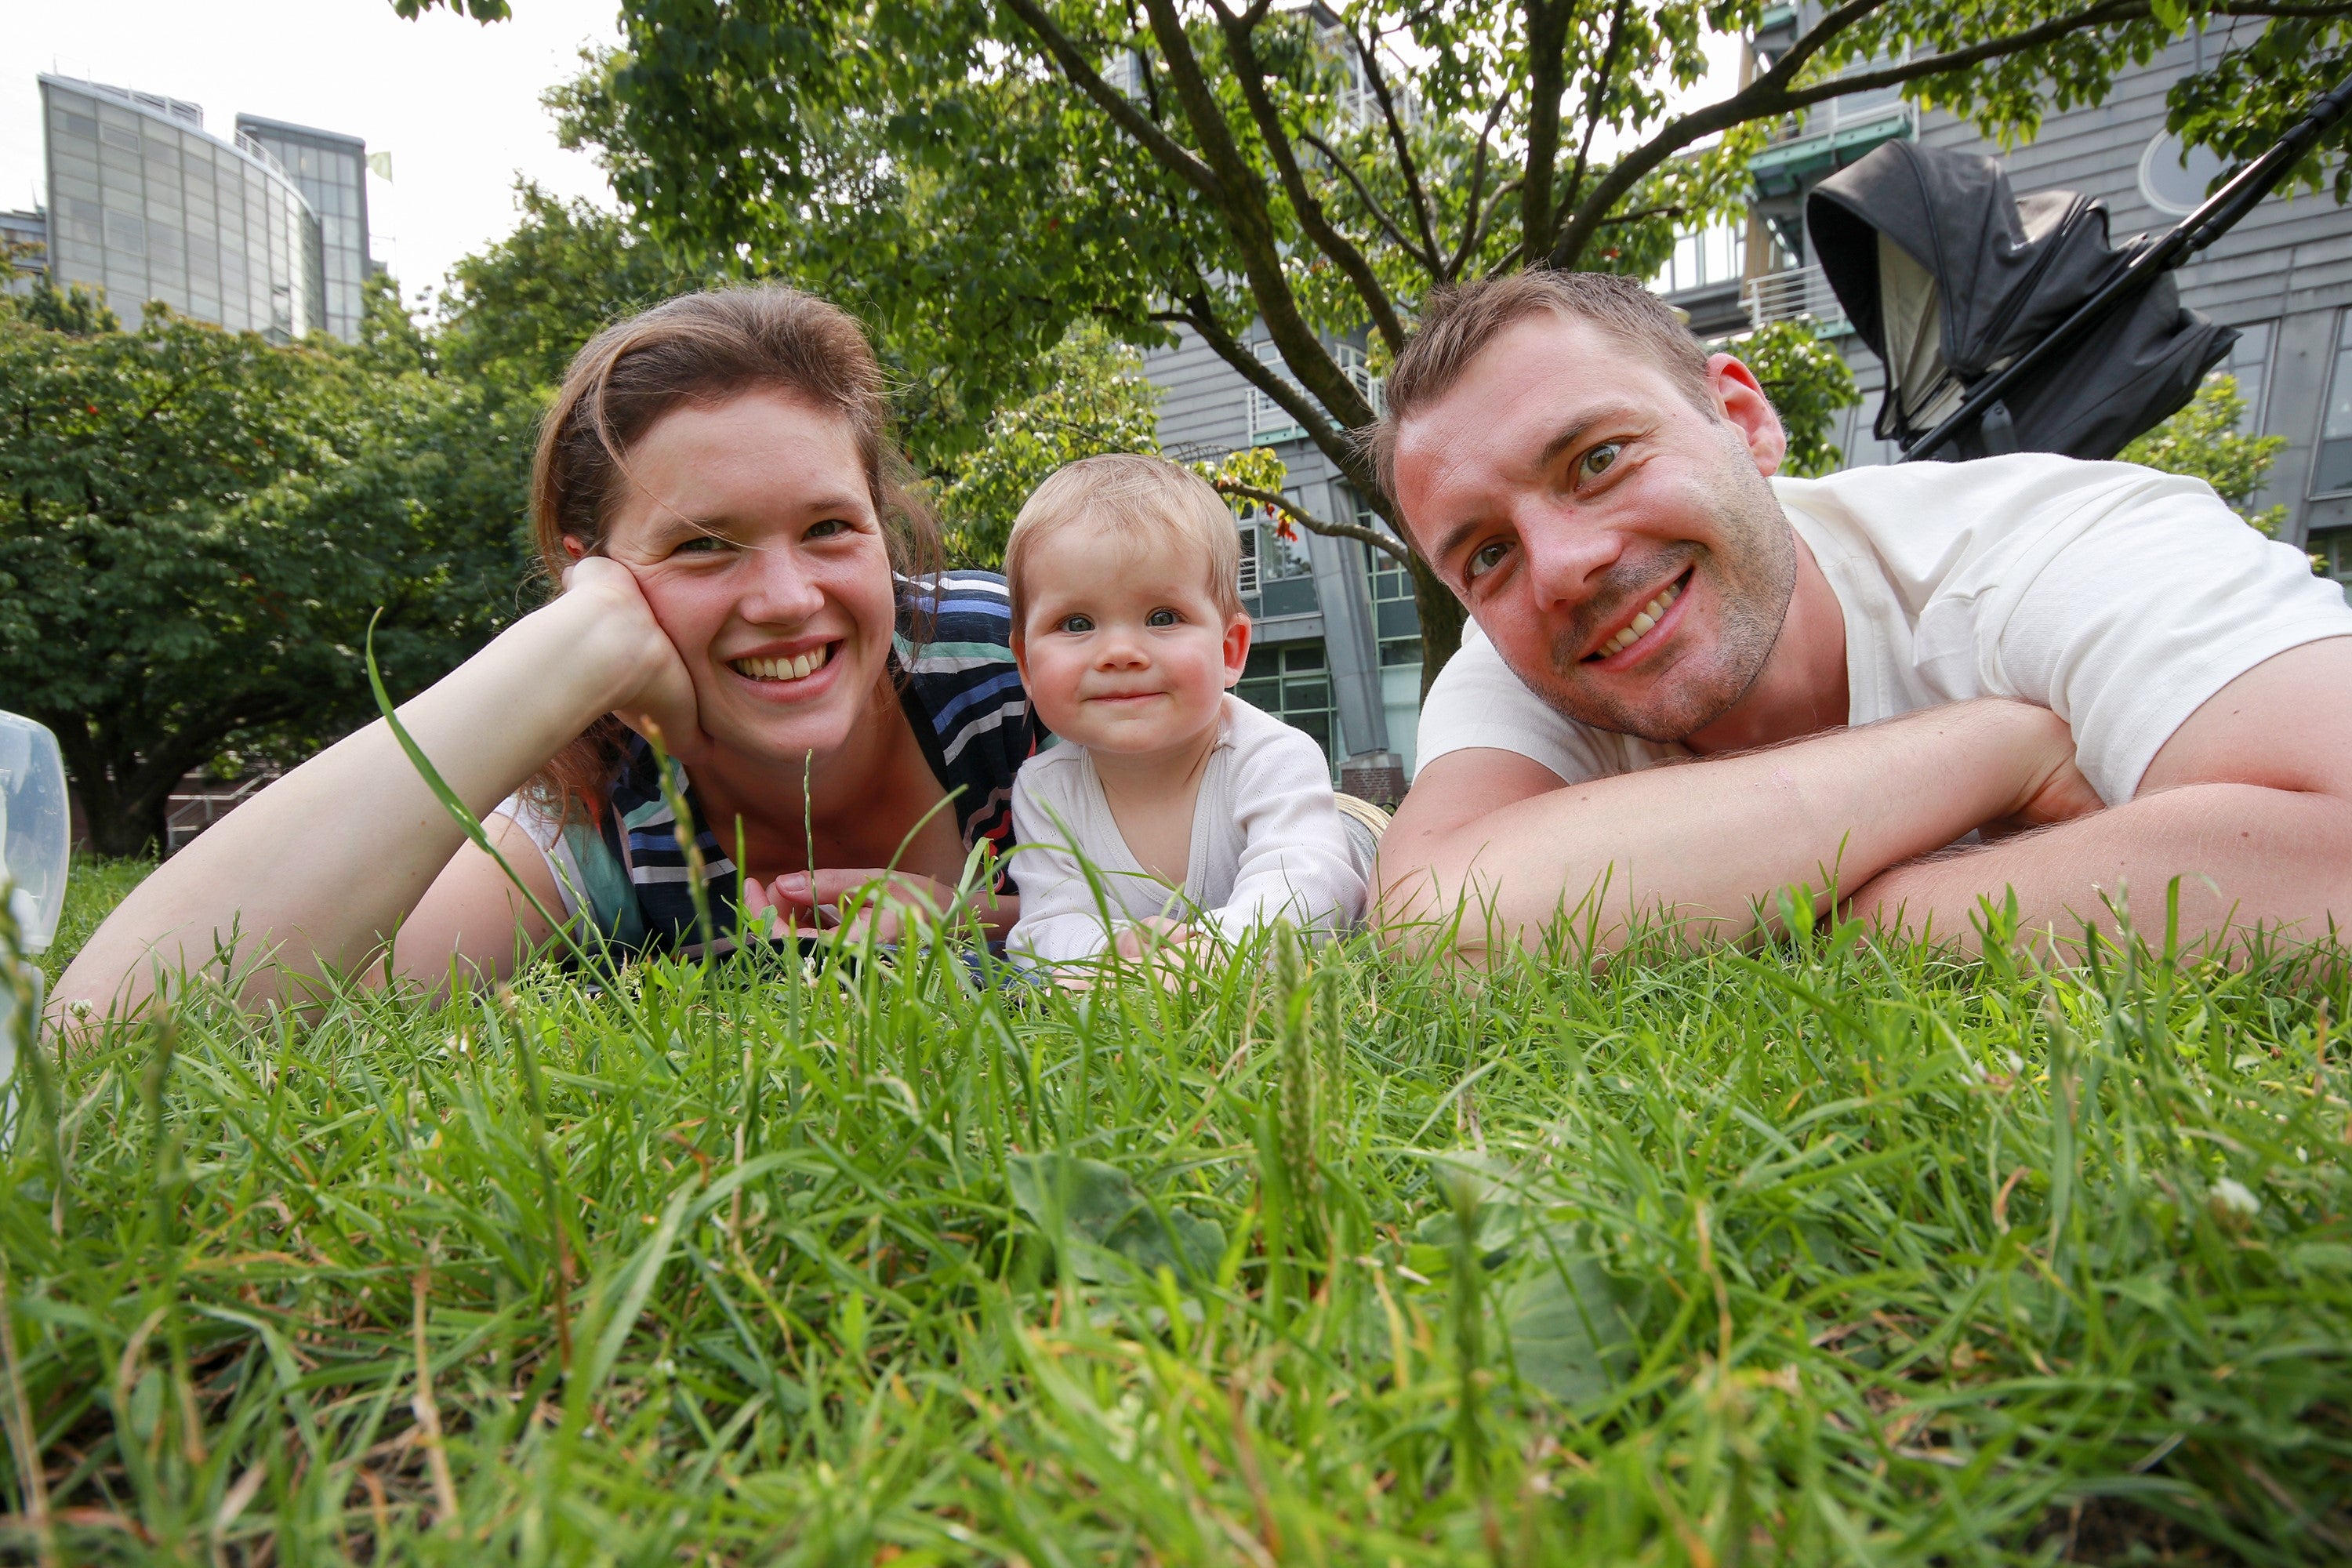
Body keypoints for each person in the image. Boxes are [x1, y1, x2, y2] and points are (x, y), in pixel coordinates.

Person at [56, 285, 1040, 1015]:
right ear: (590, 571)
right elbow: (113, 1033)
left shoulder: (1032, 670)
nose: (787, 598)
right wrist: (575, 647)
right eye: (702, 542)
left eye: (830, 526)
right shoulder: (594, 809)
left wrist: (979, 918)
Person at [1374, 270, 2352, 958]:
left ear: (1744, 422)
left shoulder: (2049, 540)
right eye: (1488, 553)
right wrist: (1993, 749)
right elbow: (1433, 923)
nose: (1561, 568)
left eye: (1599, 458)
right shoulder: (1515, 661)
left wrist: (1838, 915)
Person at [1002, 455, 1365, 971]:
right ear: (1026, 665)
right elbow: (1046, 928)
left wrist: (1201, 952)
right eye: (1077, 622)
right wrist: (1115, 955)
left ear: (1231, 650)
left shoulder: (1275, 758)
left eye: (1163, 617)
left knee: (1378, 865)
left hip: (1348, 844)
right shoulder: (1045, 791)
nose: (1120, 652)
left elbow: (1310, 894)